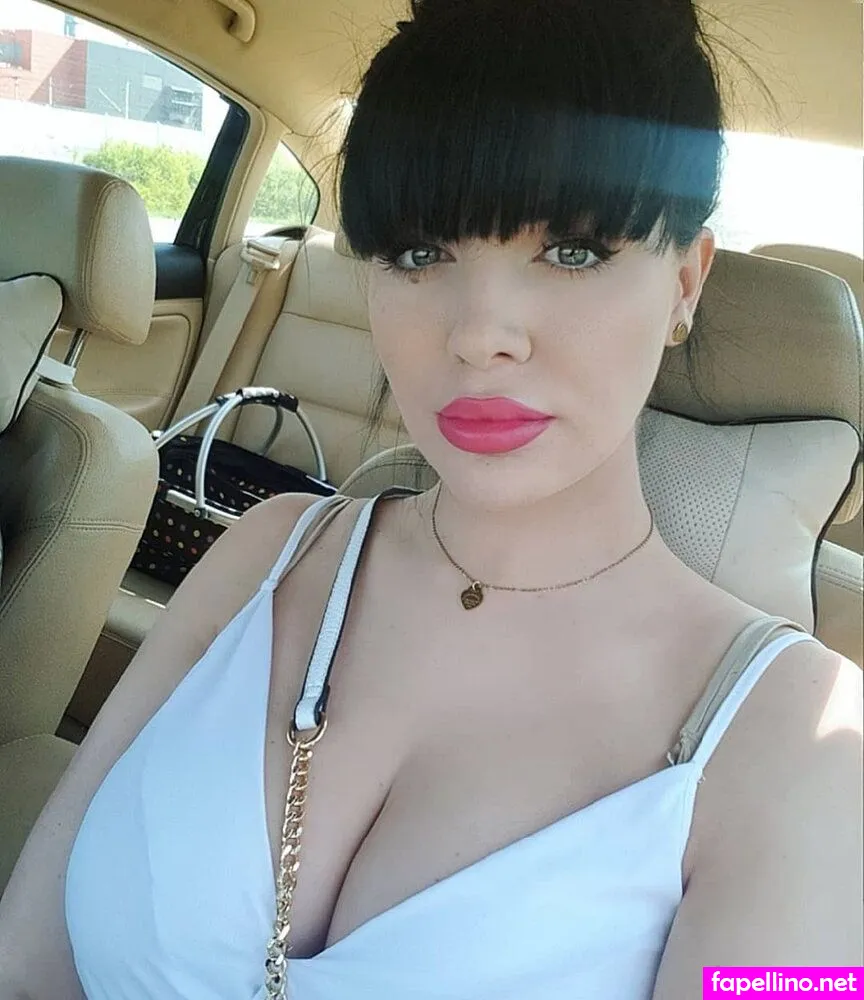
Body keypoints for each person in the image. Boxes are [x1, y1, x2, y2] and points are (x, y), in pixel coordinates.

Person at [1, 0, 861, 997]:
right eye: (418, 253)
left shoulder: (807, 744)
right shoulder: (270, 553)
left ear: (684, 283)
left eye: (574, 250)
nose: (478, 334)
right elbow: (29, 960)